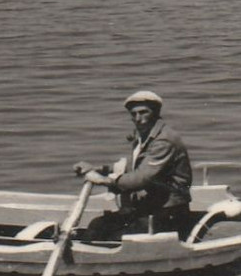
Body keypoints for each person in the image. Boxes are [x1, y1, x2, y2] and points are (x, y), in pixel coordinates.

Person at [74, 91, 193, 240]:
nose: (138, 119)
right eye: (134, 114)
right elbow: (132, 167)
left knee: (113, 236)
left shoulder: (164, 140)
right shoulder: (144, 135)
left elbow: (141, 178)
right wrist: (98, 169)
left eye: (143, 113)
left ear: (156, 113)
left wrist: (105, 181)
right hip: (150, 206)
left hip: (169, 212)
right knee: (98, 225)